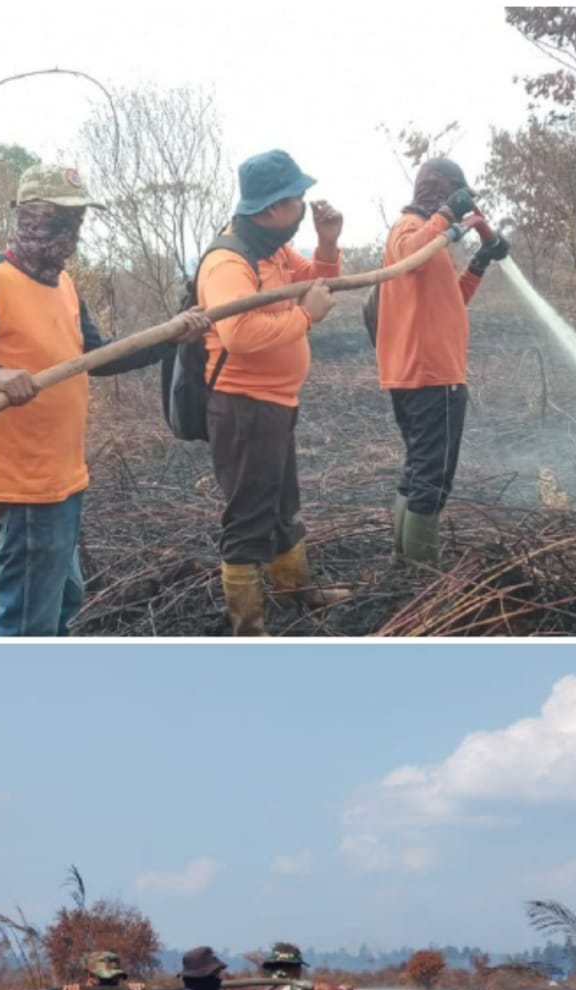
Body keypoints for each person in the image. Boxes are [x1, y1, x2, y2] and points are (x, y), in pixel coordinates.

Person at [0, 164, 210, 637]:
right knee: (27, 623)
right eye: (61, 218)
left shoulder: (63, 285)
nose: (71, 232)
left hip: (65, 479)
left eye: (77, 220)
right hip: (24, 487)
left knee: (64, 599)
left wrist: (172, 336)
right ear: (28, 216)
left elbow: (98, 357)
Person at [195, 149, 352, 637]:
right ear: (269, 209)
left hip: (275, 404)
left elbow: (315, 283)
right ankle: (248, 624)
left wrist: (327, 246)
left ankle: (292, 588)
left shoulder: (272, 251)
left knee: (283, 504)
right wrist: (306, 317)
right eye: (296, 200)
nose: (305, 206)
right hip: (244, 409)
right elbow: (238, 334)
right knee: (249, 515)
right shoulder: (228, 262)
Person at [374, 157, 510, 565]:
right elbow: (408, 255)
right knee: (432, 478)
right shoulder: (409, 229)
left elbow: (452, 300)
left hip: (420, 372)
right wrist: (448, 215)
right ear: (441, 189)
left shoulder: (427, 237)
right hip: (431, 375)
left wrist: (480, 261)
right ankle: (422, 571)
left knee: (419, 470)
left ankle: (404, 560)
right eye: (455, 195)